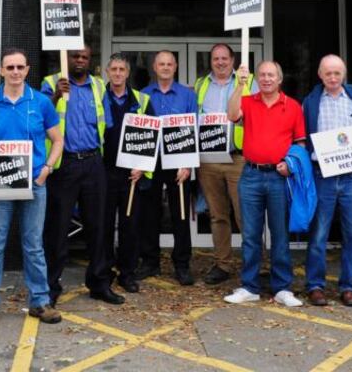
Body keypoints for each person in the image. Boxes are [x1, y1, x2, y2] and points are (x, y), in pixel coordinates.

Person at [0, 49, 64, 330]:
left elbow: (58, 141)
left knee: (33, 246)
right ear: (1, 71)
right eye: (9, 67)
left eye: (19, 67)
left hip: (34, 183)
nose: (14, 71)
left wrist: (47, 169)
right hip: (0, 185)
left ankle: (40, 302)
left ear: (27, 70)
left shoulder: (42, 102)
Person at [40, 47, 122, 305]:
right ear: (67, 58)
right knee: (58, 229)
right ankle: (50, 288)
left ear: (90, 60)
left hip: (93, 162)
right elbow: (38, 117)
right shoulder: (51, 82)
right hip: (64, 165)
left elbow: (106, 124)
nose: (79, 60)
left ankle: (99, 283)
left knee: (98, 227)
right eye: (75, 56)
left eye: (85, 57)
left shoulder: (98, 86)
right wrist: (55, 96)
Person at [223, 61, 305, 307]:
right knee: (250, 235)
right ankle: (249, 286)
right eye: (262, 75)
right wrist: (240, 85)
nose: (267, 79)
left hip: (280, 178)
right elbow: (231, 114)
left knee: (280, 234)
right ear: (257, 79)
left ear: (279, 79)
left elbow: (300, 144)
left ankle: (282, 288)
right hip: (251, 175)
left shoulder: (293, 106)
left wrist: (291, 165)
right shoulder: (248, 101)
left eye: (271, 75)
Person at [302, 54, 352, 308]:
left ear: (344, 75)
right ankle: (315, 285)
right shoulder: (310, 103)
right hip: (323, 175)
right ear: (320, 75)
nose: (333, 78)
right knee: (319, 233)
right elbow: (304, 138)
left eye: (337, 73)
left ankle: (348, 286)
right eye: (328, 73)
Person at [193, 43, 255, 285]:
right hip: (209, 160)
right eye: (216, 58)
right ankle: (223, 264)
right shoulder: (201, 85)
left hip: (238, 158)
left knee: (245, 215)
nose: (220, 62)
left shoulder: (248, 82)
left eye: (224, 58)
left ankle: (254, 265)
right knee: (218, 216)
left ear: (233, 60)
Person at [137, 50, 197, 286]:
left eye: (169, 64)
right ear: (154, 66)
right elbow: (139, 129)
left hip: (178, 159)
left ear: (176, 66)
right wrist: (139, 163)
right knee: (149, 214)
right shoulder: (142, 95)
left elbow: (193, 127)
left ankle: (182, 265)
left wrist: (188, 164)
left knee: (180, 214)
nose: (165, 67)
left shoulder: (186, 95)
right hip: (151, 161)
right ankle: (150, 262)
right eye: (161, 63)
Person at [101, 54, 154, 293]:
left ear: (128, 72)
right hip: (103, 172)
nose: (118, 73)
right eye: (114, 69)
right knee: (102, 226)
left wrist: (142, 166)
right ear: (107, 71)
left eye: (122, 69)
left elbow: (153, 136)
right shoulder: (98, 97)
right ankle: (104, 272)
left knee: (130, 227)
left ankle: (127, 274)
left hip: (131, 175)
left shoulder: (142, 100)